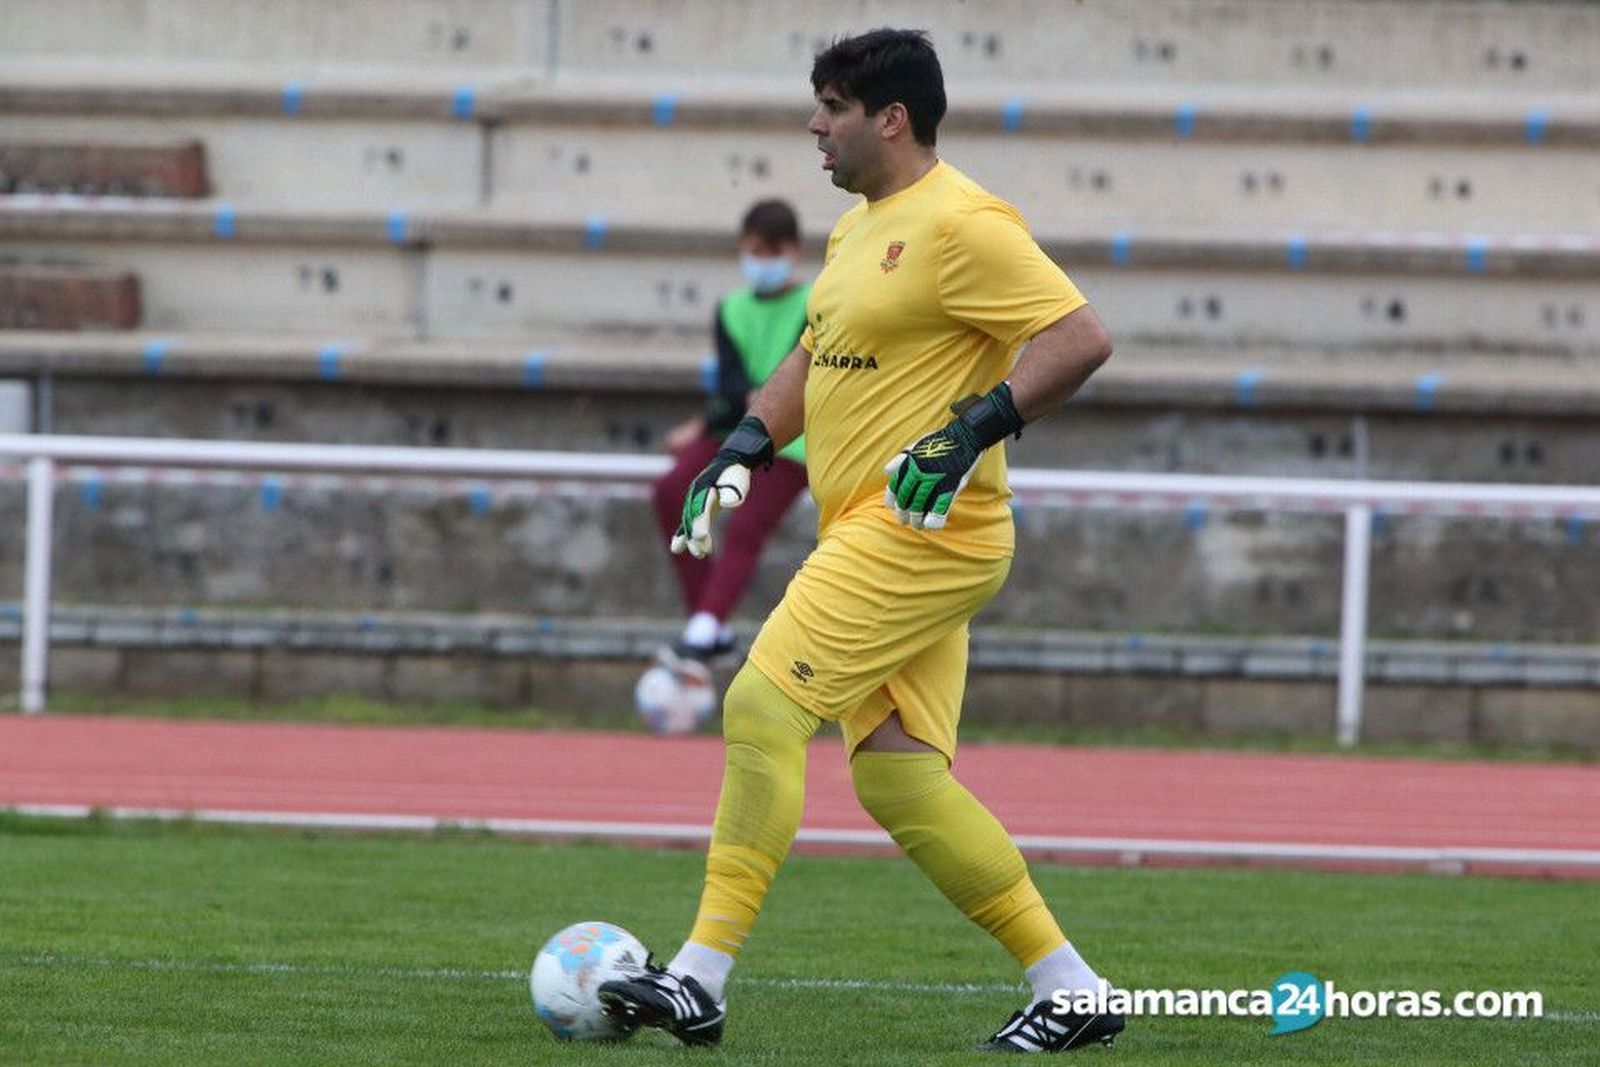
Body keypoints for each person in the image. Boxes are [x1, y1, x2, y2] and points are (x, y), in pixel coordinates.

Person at [602, 29, 1120, 1054]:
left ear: (890, 117)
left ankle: (699, 973)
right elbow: (811, 352)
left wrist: (972, 429)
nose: (813, 125)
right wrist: (744, 443)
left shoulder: (964, 222)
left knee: (758, 700)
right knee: (897, 775)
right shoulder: (857, 232)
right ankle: (1075, 987)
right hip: (877, 529)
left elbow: (1078, 335)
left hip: (924, 528)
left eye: (831, 105)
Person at [650, 200, 811, 682]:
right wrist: (705, 427)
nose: (760, 260)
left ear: (792, 251)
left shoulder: (814, 304)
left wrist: (758, 411)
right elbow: (730, 383)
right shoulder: (731, 310)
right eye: (752, 250)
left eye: (770, 251)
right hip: (740, 430)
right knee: (671, 491)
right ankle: (708, 621)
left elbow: (798, 375)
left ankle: (704, 629)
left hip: (792, 441)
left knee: (745, 526)